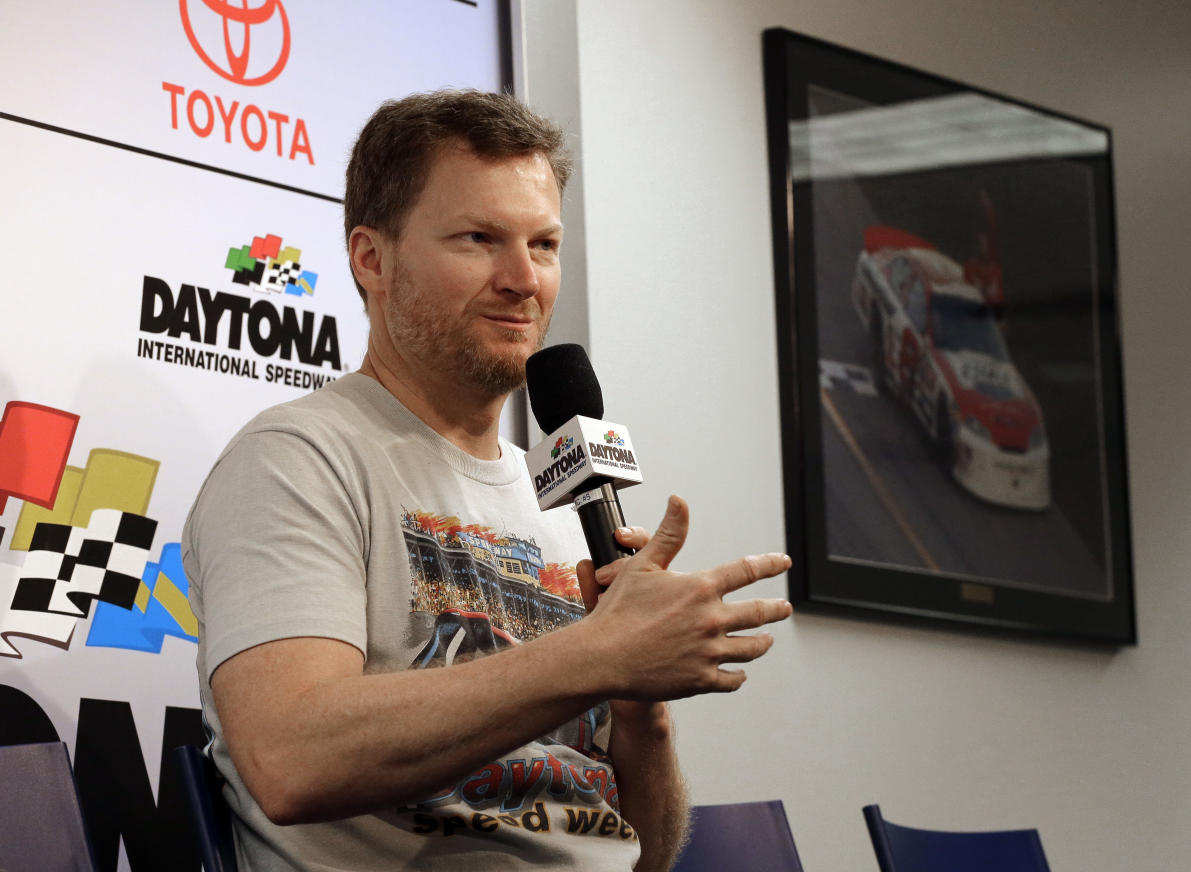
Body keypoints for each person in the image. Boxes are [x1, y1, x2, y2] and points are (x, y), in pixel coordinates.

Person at [182, 89, 794, 872]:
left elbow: (643, 856)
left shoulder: (566, 505)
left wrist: (643, 712)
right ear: (371, 258)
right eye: (479, 239)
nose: (523, 279)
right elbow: (291, 757)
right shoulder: (299, 457)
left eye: (543, 245)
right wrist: (596, 657)